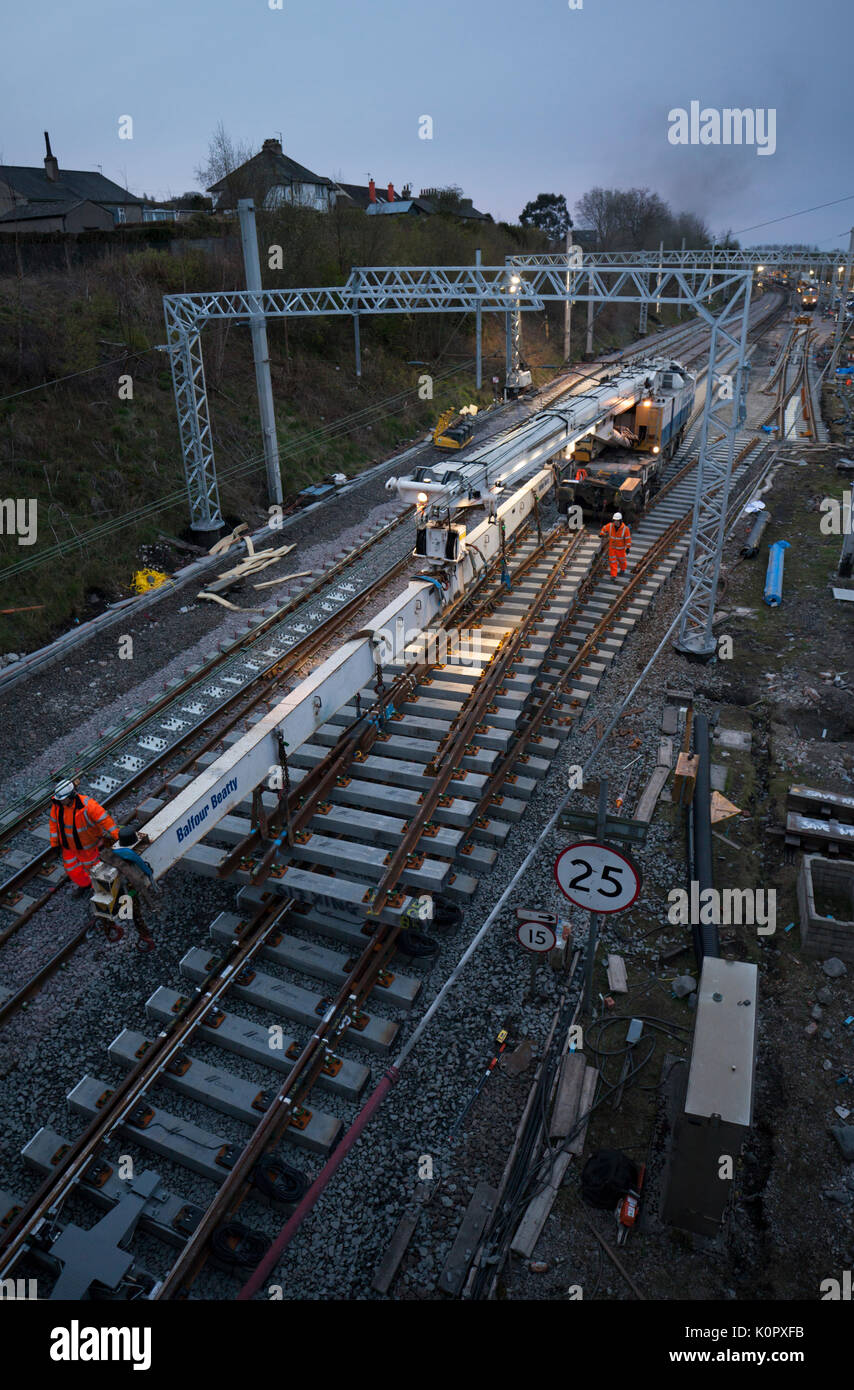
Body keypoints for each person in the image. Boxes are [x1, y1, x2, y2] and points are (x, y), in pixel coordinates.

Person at [49, 780, 118, 897]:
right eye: (59, 799)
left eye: (63, 799)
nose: (61, 801)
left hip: (88, 847)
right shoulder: (57, 807)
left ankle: (97, 888)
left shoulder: (88, 805)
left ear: (71, 795)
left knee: (95, 869)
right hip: (69, 847)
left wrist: (117, 836)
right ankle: (85, 885)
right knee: (72, 870)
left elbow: (105, 820)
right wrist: (54, 844)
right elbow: (53, 825)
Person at [599, 511, 632, 579]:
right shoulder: (610, 526)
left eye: (617, 521)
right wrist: (601, 534)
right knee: (612, 561)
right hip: (612, 548)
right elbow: (604, 528)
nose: (615, 522)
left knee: (622, 560)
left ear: (620, 521)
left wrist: (628, 548)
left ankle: (623, 569)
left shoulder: (625, 529)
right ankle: (613, 575)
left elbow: (628, 539)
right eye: (614, 521)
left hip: (620, 549)